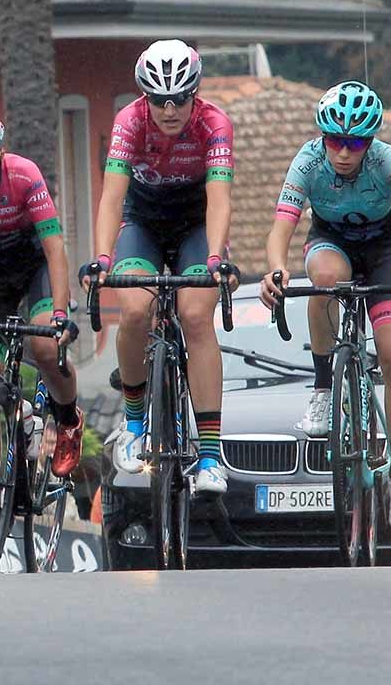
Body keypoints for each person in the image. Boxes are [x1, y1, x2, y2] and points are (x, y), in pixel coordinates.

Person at [259, 80, 391, 530]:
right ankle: (321, 386)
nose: (343, 152)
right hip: (331, 243)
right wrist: (276, 269)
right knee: (325, 280)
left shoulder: (388, 160)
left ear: (369, 141)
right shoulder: (308, 160)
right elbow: (282, 226)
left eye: (354, 142)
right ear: (323, 137)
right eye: (334, 140)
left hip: (383, 251)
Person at [92, 40, 234, 495]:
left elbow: (219, 198)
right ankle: (134, 421)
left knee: (195, 316)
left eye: (180, 99)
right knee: (134, 310)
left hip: (196, 225)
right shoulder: (128, 122)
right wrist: (101, 259)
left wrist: (215, 258)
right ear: (145, 98)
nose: (170, 109)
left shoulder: (214, 124)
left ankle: (211, 456)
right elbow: (112, 196)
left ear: (196, 93)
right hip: (144, 224)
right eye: (158, 100)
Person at [0, 109, 82, 470]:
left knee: (45, 347)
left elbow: (54, 247)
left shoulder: (24, 176)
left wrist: (57, 312)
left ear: (0, 155)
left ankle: (68, 421)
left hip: (32, 265)